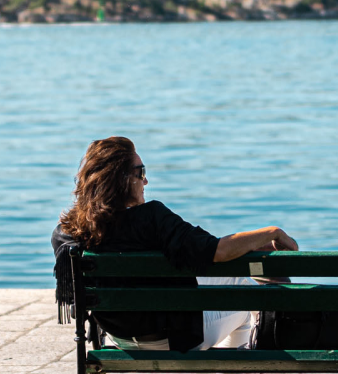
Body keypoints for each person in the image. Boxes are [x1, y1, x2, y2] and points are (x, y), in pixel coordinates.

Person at [51, 136, 299, 352]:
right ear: (122, 179)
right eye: (141, 172)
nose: (145, 181)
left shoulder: (69, 232)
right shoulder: (152, 218)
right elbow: (217, 251)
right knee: (243, 300)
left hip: (119, 337)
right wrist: (271, 232)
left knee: (233, 281)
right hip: (174, 339)